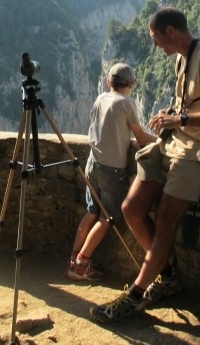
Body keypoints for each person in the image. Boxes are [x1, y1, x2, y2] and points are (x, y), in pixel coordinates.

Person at [90, 7, 200, 323]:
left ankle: (135, 295)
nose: (155, 45)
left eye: (156, 37)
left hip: (196, 152)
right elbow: (189, 104)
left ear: (170, 32)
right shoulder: (182, 59)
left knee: (168, 217)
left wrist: (180, 118)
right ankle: (167, 273)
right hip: (172, 144)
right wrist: (170, 114)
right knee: (132, 208)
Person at [66, 63, 158, 281]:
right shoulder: (126, 103)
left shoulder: (100, 98)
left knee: (92, 212)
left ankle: (72, 261)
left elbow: (106, 128)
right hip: (111, 168)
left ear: (109, 82)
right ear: (132, 84)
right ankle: (82, 264)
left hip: (92, 163)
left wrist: (126, 143)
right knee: (108, 218)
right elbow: (142, 136)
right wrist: (164, 141)